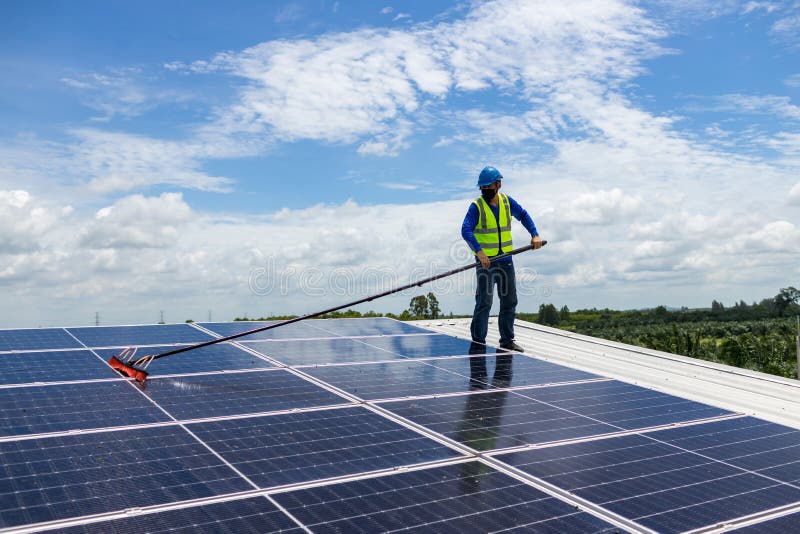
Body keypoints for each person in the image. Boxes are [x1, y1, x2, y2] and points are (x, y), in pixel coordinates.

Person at [461, 166, 542, 352]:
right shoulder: (476, 207)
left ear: (498, 184)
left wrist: (535, 234)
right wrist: (479, 252)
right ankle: (478, 342)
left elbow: (523, 214)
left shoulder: (506, 202)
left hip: (506, 260)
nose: (485, 190)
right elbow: (465, 230)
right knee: (485, 302)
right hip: (485, 263)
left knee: (509, 301)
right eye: (483, 188)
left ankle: (507, 340)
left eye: (489, 186)